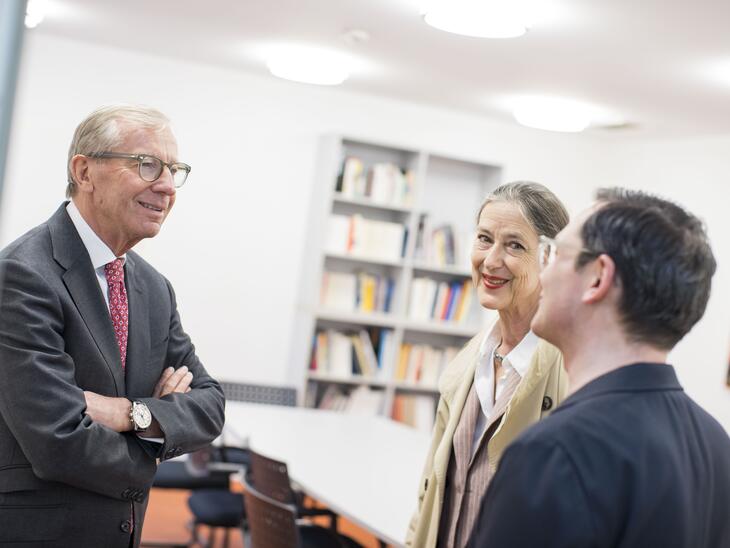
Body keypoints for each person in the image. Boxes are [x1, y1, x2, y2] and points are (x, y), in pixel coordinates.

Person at [0, 105, 226, 547]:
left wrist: (131, 414)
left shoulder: (154, 288)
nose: (165, 185)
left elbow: (210, 404)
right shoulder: (21, 275)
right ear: (84, 171)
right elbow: (58, 440)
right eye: (146, 165)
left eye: (174, 170)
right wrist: (155, 447)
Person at [468, 188, 730, 547]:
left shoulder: (552, 453)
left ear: (597, 277)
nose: (542, 273)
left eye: (556, 253)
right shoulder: (716, 445)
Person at [407, 182, 570, 548]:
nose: (491, 261)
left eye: (514, 245)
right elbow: (429, 495)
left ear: (551, 257)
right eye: (484, 239)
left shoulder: (570, 372)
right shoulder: (468, 360)